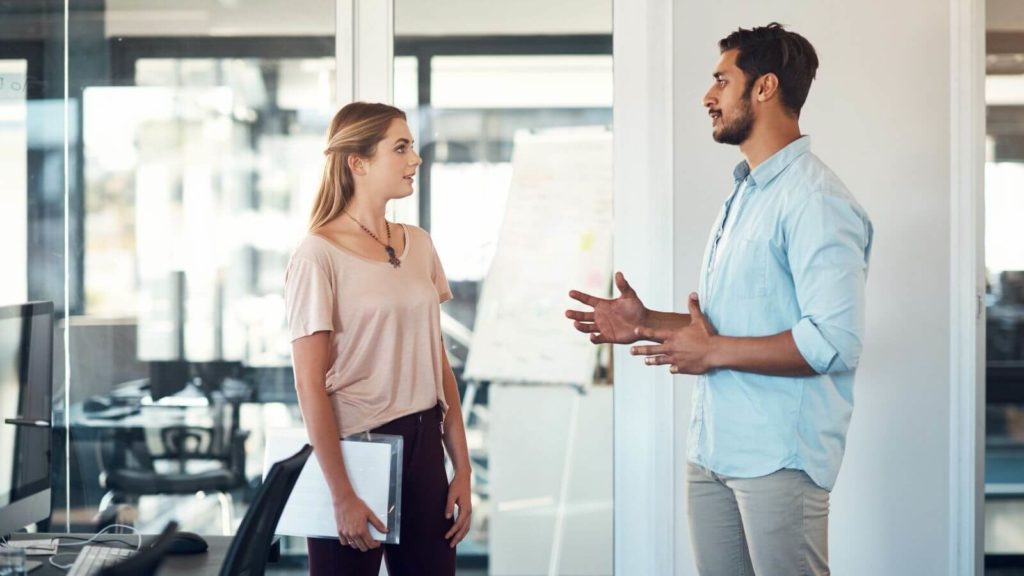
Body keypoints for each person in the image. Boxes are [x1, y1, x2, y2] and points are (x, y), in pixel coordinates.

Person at [565, 24, 873, 575]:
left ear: (764, 88)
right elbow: (728, 326)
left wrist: (711, 354)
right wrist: (648, 322)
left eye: (721, 81)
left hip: (778, 459)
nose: (708, 97)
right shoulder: (746, 191)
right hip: (713, 450)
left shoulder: (816, 201)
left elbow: (833, 342)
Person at [285, 102, 472, 576]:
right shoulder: (317, 255)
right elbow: (309, 386)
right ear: (358, 161)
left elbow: (438, 365)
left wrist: (462, 468)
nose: (416, 158)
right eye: (402, 147)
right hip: (353, 452)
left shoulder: (420, 244)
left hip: (425, 444)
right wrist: (341, 493)